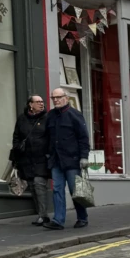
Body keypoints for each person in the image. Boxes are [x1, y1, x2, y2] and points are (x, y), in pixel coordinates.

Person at [45, 88, 89, 230]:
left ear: (66, 98)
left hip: (72, 160)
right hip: (56, 160)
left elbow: (83, 138)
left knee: (75, 191)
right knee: (57, 190)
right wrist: (47, 153)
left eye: (58, 97)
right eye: (53, 98)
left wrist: (84, 157)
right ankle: (58, 220)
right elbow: (47, 137)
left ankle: (82, 218)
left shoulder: (75, 115)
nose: (55, 100)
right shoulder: (50, 116)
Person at [10, 95, 52, 226]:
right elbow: (16, 136)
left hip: (42, 158)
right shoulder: (22, 119)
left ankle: (43, 215)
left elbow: (52, 136)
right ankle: (40, 213)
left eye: (42, 101)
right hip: (26, 159)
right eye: (37, 102)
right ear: (30, 104)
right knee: (32, 186)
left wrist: (49, 153)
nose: (41, 104)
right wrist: (17, 148)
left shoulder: (47, 118)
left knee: (39, 183)